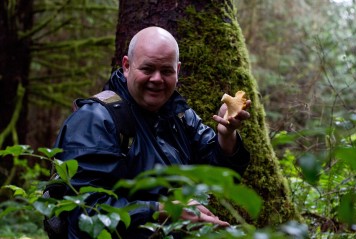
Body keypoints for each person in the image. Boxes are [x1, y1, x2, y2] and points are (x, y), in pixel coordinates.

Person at [46, 26, 251, 238]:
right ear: (127, 66)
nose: (157, 79)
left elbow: (221, 180)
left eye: (166, 71)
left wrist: (226, 137)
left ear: (177, 71)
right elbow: (85, 214)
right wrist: (161, 212)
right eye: (147, 69)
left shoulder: (180, 116)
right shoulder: (94, 121)